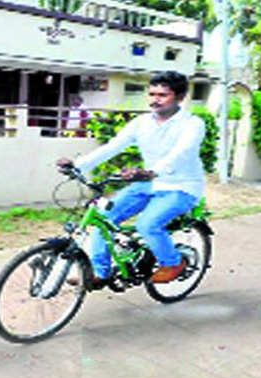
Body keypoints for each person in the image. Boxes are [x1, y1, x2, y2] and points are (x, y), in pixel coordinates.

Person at [56, 71, 205, 291]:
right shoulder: (142, 122)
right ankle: (100, 273)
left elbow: (181, 153)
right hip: (149, 184)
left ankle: (173, 263)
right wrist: (78, 165)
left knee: (148, 224)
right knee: (102, 220)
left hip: (181, 187)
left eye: (162, 95)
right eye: (152, 94)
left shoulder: (193, 124)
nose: (154, 100)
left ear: (180, 97)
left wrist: (151, 171)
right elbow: (112, 147)